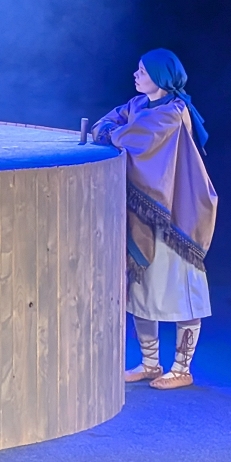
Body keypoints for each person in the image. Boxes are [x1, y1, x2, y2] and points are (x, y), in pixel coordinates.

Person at [92, 49, 217, 390]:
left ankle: (182, 368)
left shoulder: (173, 112)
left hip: (175, 215)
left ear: (160, 77)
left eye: (143, 71)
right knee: (142, 290)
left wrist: (113, 132)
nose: (136, 75)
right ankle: (150, 363)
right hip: (146, 215)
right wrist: (111, 129)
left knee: (181, 291)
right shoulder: (138, 105)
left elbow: (130, 137)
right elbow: (107, 123)